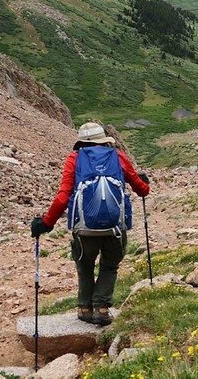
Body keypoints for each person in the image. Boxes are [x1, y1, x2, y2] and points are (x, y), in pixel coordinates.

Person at [31, 122, 150, 326]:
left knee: (84, 265)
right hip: (115, 228)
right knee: (109, 266)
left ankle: (84, 308)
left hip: (84, 229)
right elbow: (142, 190)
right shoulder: (118, 157)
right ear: (103, 140)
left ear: (82, 142)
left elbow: (62, 197)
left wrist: (46, 223)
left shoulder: (74, 159)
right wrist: (142, 181)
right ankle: (102, 309)